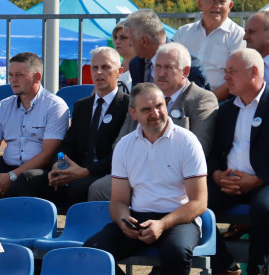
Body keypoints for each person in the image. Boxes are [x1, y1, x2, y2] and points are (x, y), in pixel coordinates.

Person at [83, 84, 207, 275]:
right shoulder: (126, 145)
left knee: (177, 251)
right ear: (133, 114)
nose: (156, 113)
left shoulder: (187, 141)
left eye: (160, 106)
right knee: (93, 252)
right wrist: (122, 221)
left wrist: (162, 224)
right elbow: (118, 201)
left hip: (180, 217)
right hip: (138, 215)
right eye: (147, 109)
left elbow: (198, 202)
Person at [89, 43, 218, 204]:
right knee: (99, 188)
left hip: (176, 177)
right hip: (137, 172)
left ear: (185, 72)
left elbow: (200, 147)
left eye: (168, 67)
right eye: (158, 67)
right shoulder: (141, 96)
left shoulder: (201, 99)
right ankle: (120, 226)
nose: (161, 73)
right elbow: (120, 143)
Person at [198, 49, 269, 275]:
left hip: (264, 182)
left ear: (254, 72)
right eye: (225, 71)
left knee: (264, 208)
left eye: (232, 71)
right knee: (193, 204)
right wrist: (217, 174)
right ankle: (226, 267)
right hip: (228, 182)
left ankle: (257, 271)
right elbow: (215, 152)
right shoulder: (227, 110)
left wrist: (258, 179)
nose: (226, 77)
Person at [47, 47, 129, 206]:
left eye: (105, 67)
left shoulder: (128, 105)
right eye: (95, 68)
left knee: (78, 187)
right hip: (77, 167)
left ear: (119, 72)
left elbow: (120, 153)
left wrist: (86, 172)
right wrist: (59, 164)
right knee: (31, 179)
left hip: (105, 172)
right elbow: (69, 143)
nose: (99, 72)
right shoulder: (82, 106)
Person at [0, 52, 69, 202]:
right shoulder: (3, 106)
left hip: (38, 171)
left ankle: (23, 222)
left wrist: (12, 176)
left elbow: (47, 154)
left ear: (37, 77)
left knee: (26, 179)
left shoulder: (55, 106)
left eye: (19, 75)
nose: (13, 80)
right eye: (10, 75)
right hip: (7, 167)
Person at [173, 0, 246, 101]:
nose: (217, 5)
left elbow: (237, 76)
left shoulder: (238, 35)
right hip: (181, 98)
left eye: (222, 1)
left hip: (220, 102)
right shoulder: (183, 32)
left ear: (230, 6)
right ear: (200, 4)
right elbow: (169, 65)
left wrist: (207, 100)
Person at [126, 9, 211, 90]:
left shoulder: (188, 64)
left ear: (144, 41)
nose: (129, 44)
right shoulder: (135, 64)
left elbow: (199, 102)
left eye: (131, 39)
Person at [111, 21, 135, 91]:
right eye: (115, 37)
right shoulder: (110, 70)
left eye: (123, 37)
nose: (117, 41)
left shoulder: (147, 71)